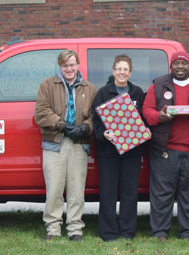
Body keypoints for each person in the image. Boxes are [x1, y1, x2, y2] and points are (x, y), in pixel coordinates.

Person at [142, 50, 189, 243]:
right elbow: (146, 111)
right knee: (161, 194)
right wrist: (160, 116)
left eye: (184, 64)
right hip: (164, 150)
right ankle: (160, 232)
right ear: (171, 66)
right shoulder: (158, 84)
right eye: (177, 63)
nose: (180, 67)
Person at [34, 49, 97, 242]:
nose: (69, 69)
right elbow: (41, 113)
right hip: (55, 143)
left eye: (72, 65)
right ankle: (53, 228)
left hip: (79, 144)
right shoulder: (47, 85)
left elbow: (96, 116)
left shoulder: (90, 88)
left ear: (78, 65)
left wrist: (85, 128)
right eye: (65, 65)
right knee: (54, 188)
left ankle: (75, 228)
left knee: (77, 189)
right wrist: (63, 125)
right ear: (60, 66)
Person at [91, 54, 149, 242]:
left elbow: (144, 120)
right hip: (108, 152)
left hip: (131, 152)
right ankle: (108, 233)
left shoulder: (138, 93)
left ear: (130, 73)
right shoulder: (103, 93)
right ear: (113, 71)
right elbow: (95, 121)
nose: (122, 72)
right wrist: (104, 134)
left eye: (126, 69)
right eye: (119, 69)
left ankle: (127, 231)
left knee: (129, 193)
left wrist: (145, 130)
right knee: (108, 192)